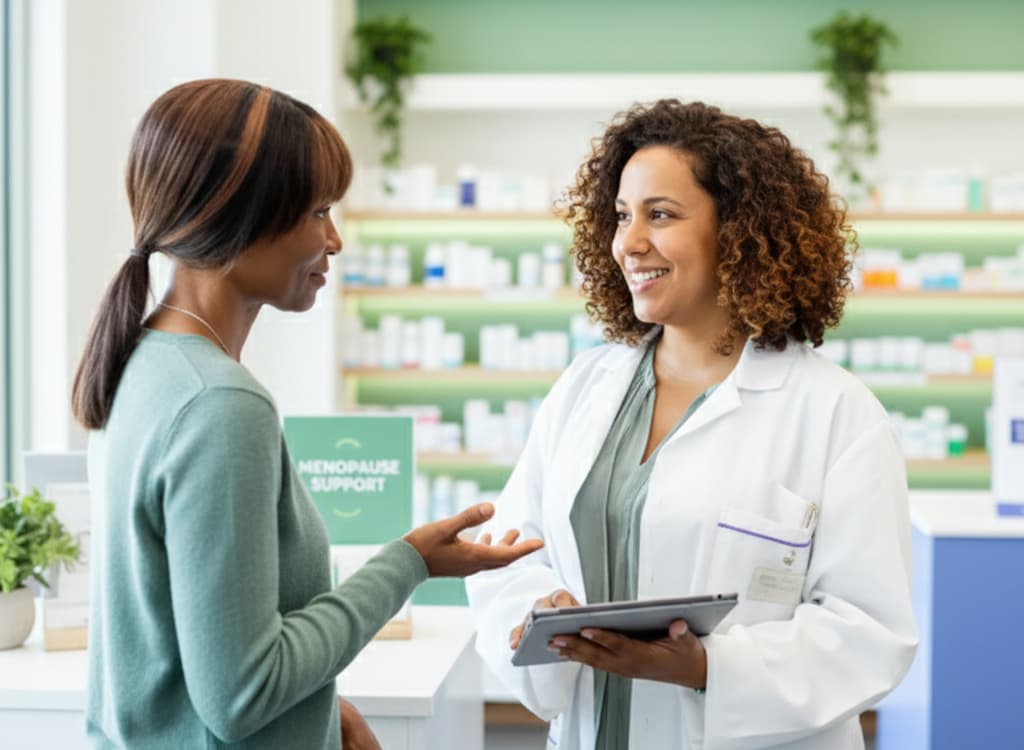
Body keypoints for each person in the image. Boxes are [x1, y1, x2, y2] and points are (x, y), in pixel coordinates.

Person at [71, 78, 542, 750]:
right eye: (318, 211)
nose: (334, 239)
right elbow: (241, 695)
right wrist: (408, 563)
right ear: (242, 213)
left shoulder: (143, 363)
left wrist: (322, 708)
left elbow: (188, 644)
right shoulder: (221, 406)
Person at [466, 99, 918, 750]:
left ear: (737, 230)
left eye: (661, 215)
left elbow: (870, 630)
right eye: (622, 216)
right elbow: (512, 552)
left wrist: (708, 667)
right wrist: (537, 611)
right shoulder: (586, 389)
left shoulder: (834, 412)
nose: (630, 242)